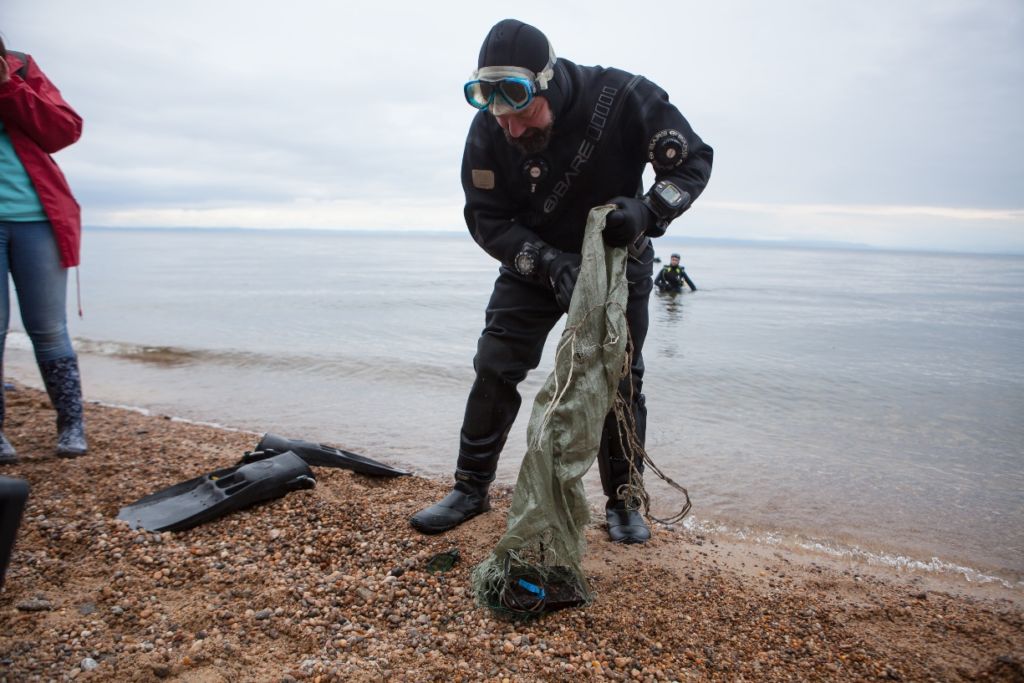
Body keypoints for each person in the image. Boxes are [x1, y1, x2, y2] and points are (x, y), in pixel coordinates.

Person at [410, 19, 712, 544]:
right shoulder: (492, 125)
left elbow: (693, 162)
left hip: (618, 258)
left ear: (546, 82)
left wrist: (646, 212)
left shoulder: (623, 96)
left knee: (621, 380)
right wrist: (548, 263)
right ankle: (470, 487)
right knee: (495, 365)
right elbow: (485, 217)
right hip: (533, 263)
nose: (512, 130)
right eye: (497, 114)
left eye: (522, 112)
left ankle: (623, 502)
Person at [0, 37, 87, 463]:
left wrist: (10, 88)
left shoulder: (19, 67)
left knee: (49, 329)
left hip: (38, 216)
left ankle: (72, 423)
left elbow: (65, 130)